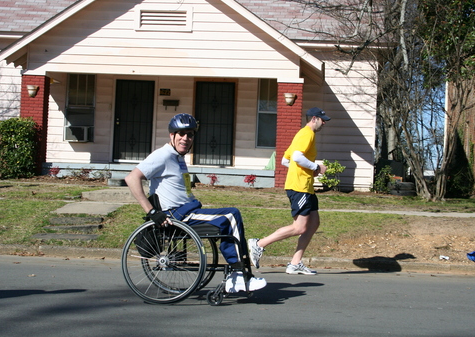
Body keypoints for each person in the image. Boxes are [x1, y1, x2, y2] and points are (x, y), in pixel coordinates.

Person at [125, 113, 266, 292]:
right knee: (231, 215)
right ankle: (237, 274)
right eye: (181, 134)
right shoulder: (163, 155)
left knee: (228, 220)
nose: (185, 138)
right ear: (172, 135)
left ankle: (237, 273)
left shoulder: (178, 157)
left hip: (186, 211)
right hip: (175, 216)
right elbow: (132, 178)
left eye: (190, 134)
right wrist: (152, 212)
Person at [248, 107, 330, 275]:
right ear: (314, 118)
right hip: (299, 188)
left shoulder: (301, 134)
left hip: (306, 186)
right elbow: (297, 157)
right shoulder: (307, 134)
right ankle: (258, 244)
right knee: (299, 227)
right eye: (323, 120)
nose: (324, 123)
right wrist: (316, 167)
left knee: (313, 224)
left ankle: (295, 263)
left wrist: (307, 171)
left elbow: (286, 160)